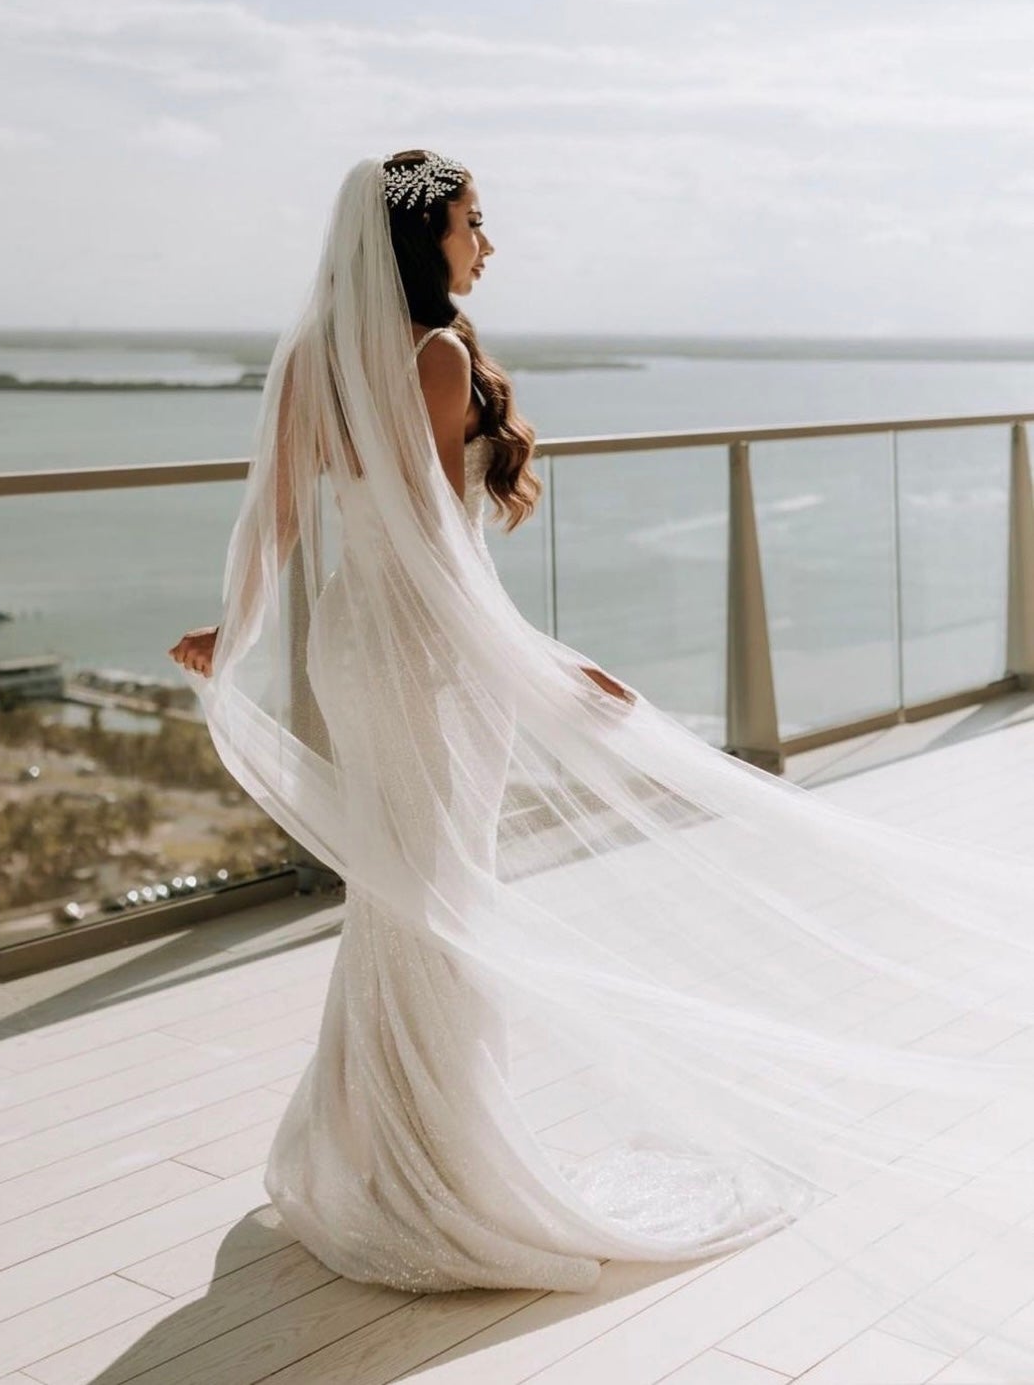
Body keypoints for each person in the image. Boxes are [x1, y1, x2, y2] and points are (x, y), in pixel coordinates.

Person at [170, 149, 1034, 1295]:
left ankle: (380, 1153)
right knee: (440, 891)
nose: (490, 242)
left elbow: (276, 515)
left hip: (356, 645)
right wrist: (546, 663)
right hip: (426, 656)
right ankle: (439, 1174)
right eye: (475, 222)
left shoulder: (314, 363)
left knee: (406, 889)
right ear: (421, 238)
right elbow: (437, 557)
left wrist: (234, 631)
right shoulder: (431, 353)